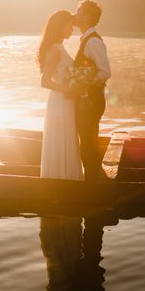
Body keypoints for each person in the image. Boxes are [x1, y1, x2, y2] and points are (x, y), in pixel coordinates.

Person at [38, 10, 84, 180]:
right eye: (70, 25)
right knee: (60, 142)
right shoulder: (55, 50)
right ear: (61, 26)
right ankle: (59, 181)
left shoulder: (60, 47)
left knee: (67, 141)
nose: (72, 29)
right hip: (60, 101)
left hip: (65, 101)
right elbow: (44, 81)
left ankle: (67, 180)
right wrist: (69, 90)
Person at [73, 0, 111, 182]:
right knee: (88, 142)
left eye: (78, 11)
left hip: (91, 101)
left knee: (88, 145)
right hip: (88, 100)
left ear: (87, 16)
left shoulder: (93, 42)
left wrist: (85, 88)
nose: (75, 14)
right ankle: (94, 180)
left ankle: (92, 184)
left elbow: (105, 72)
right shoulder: (86, 39)